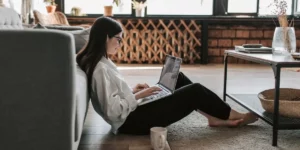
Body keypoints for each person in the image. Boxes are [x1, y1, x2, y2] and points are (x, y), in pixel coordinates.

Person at [76, 17, 258, 135]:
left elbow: (111, 97)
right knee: (195, 91)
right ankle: (232, 115)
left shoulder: (100, 62)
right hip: (130, 123)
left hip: (131, 113)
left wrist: (133, 90)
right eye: (119, 39)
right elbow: (113, 111)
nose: (121, 44)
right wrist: (139, 96)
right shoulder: (100, 68)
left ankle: (212, 117)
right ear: (106, 37)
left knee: (178, 78)